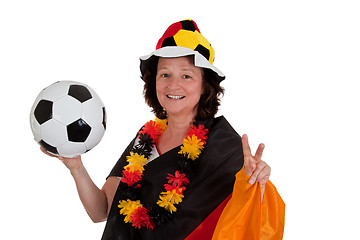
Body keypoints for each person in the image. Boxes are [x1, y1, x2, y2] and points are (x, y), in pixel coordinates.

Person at [41, 19, 285, 240]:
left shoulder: (224, 147)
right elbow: (101, 211)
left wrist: (257, 184)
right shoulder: (144, 138)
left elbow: (249, 221)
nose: (173, 85)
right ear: (153, 82)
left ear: (204, 86)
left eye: (186, 76)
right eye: (165, 74)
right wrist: (76, 167)